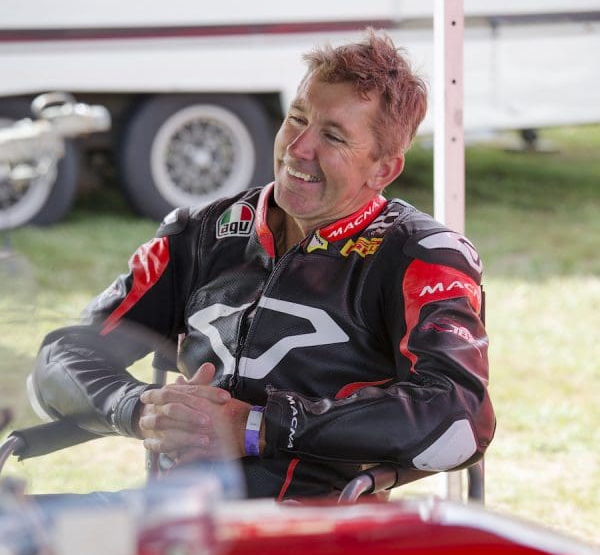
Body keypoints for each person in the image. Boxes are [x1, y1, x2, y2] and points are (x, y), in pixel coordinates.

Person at [31, 30, 495, 500]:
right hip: (173, 520)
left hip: (318, 529)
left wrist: (257, 427)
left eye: (333, 136)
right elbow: (57, 360)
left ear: (383, 169)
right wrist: (141, 408)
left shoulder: (422, 255)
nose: (298, 148)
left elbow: (460, 415)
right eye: (297, 118)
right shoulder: (198, 233)